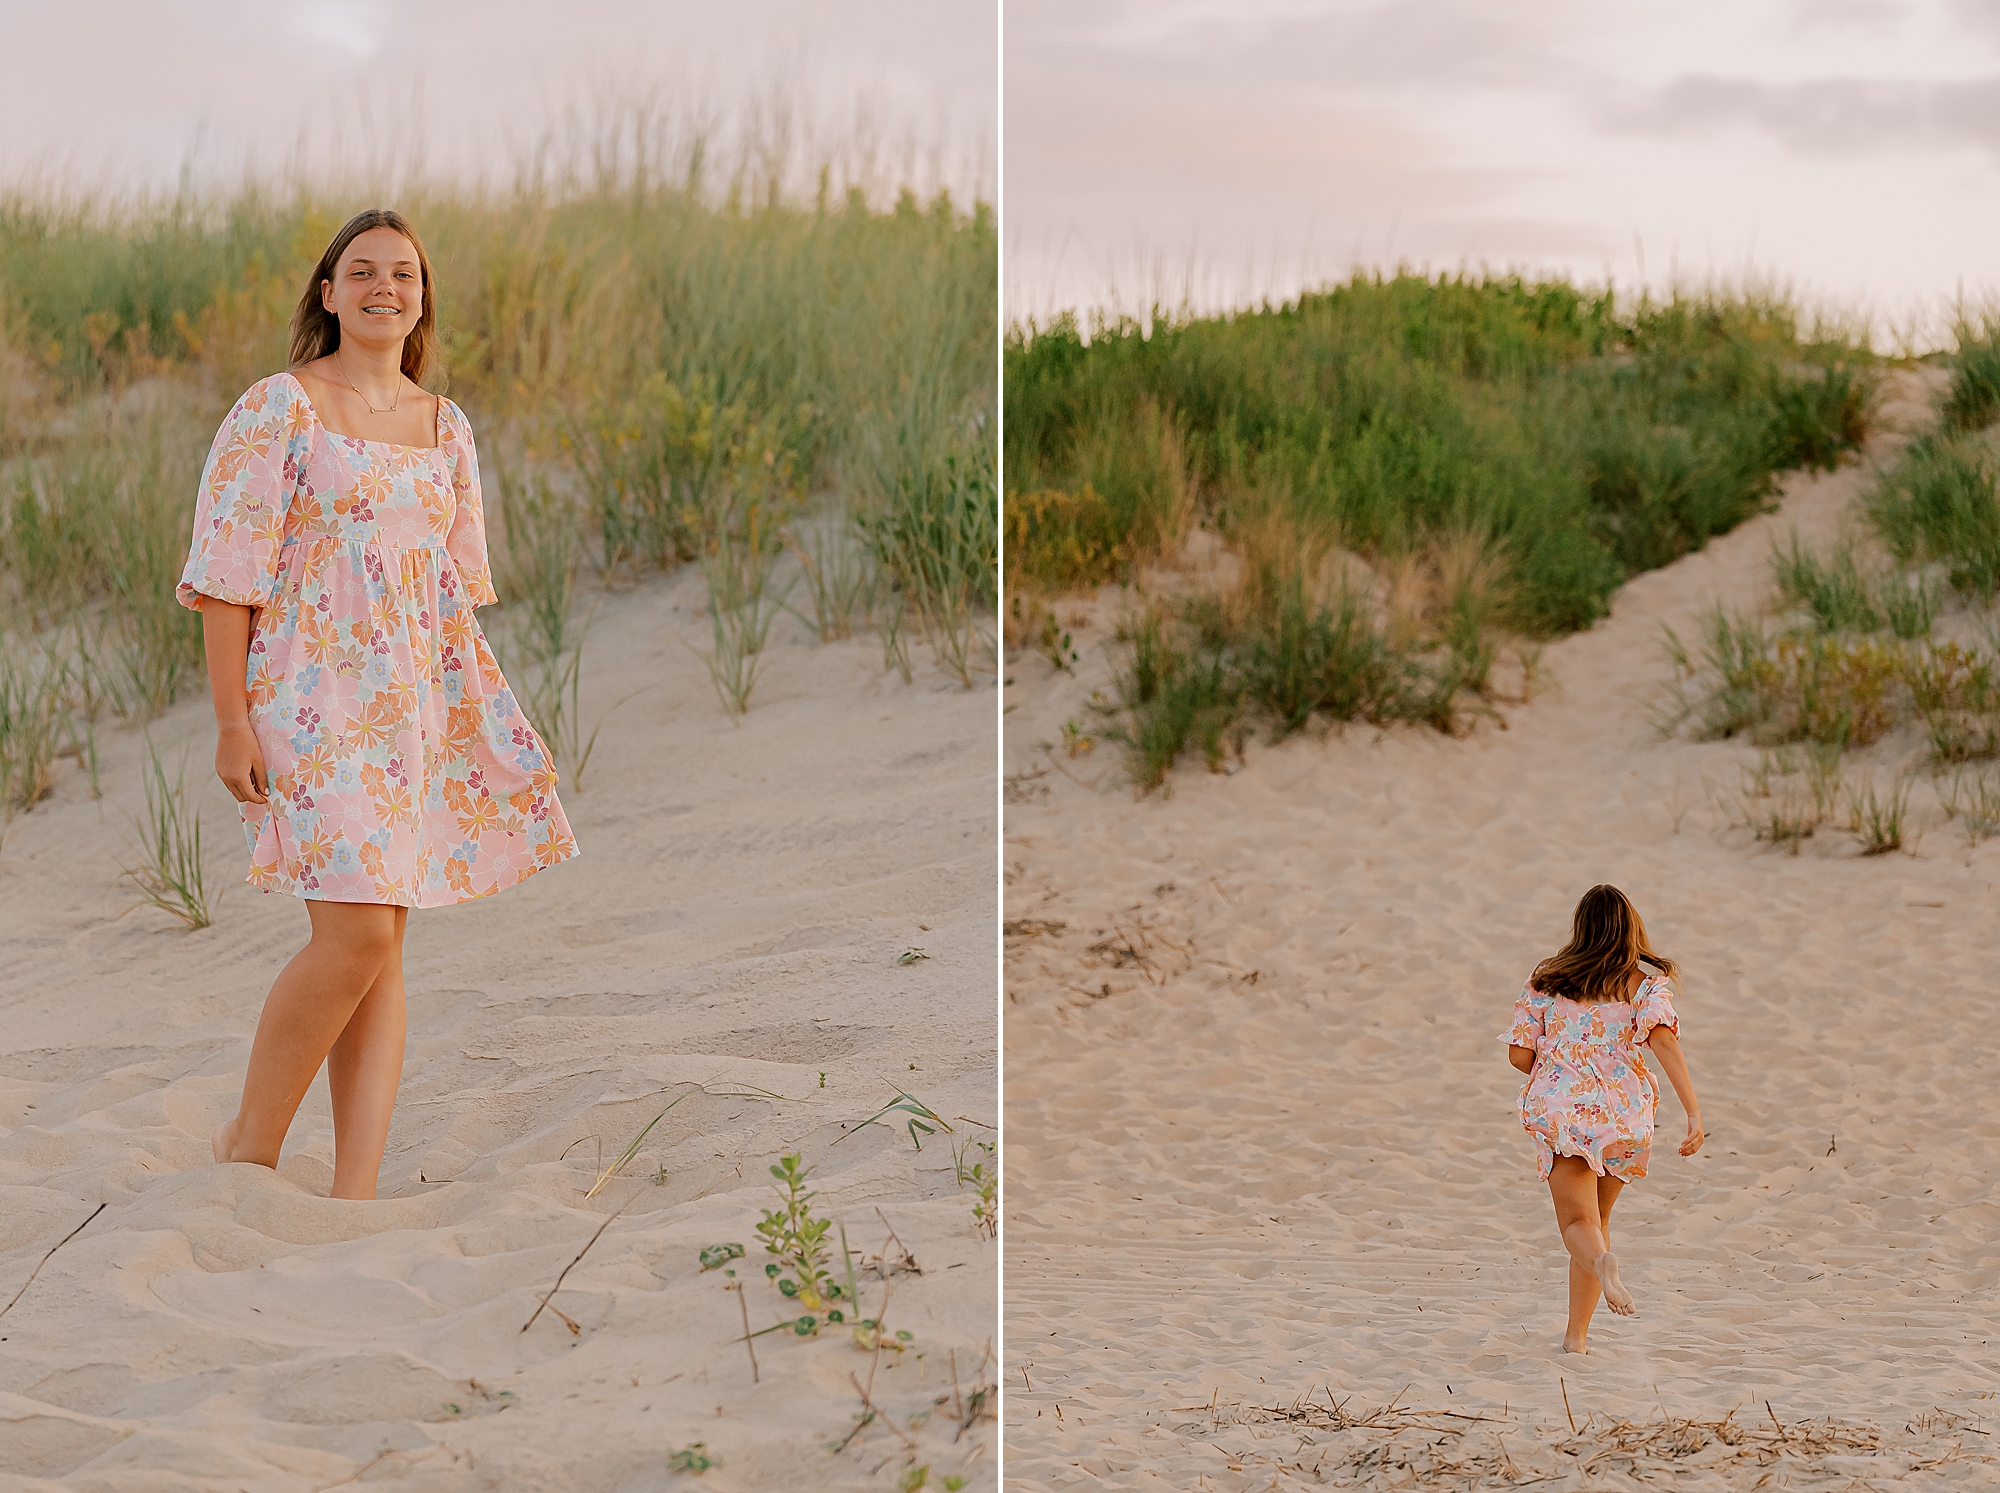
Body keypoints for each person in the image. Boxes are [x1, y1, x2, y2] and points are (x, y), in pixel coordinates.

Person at [178, 207, 578, 1200]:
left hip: (410, 706)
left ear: (421, 297)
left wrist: (477, 720)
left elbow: (448, 597)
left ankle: (353, 1188)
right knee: (353, 933)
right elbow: (227, 577)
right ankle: (249, 1151)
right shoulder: (276, 408)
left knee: (384, 943)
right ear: (329, 292)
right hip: (307, 695)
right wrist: (232, 719)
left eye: (403, 272)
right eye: (362, 271)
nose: (383, 286)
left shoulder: (446, 426)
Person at [1500, 884, 1703, 1353]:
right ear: (1632, 929)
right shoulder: (1645, 986)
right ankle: (1577, 1340)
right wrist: (1693, 1113)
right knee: (1598, 1222)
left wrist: (1558, 1068)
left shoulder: (1549, 981)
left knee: (1577, 1226)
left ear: (1581, 928)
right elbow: (1665, 1045)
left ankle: (1604, 1271)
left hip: (1566, 1113)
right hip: (1625, 1114)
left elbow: (1517, 1054)